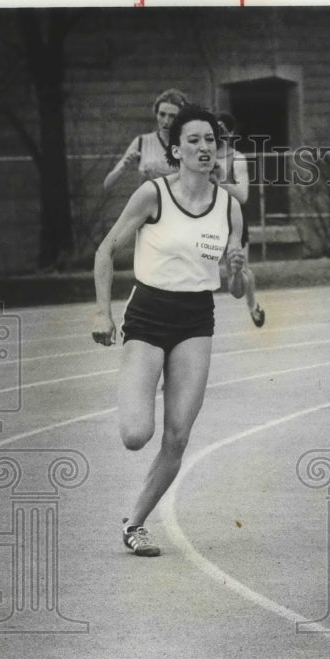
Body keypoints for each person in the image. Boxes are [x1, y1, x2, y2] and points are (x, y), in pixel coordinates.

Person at [92, 104, 245, 556]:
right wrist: (103, 313)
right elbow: (106, 250)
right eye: (194, 140)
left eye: (211, 140)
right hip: (149, 313)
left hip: (196, 318)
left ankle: (135, 523)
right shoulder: (152, 194)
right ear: (175, 149)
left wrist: (236, 271)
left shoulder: (230, 207)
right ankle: (136, 383)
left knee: (178, 435)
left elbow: (235, 287)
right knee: (136, 435)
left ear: (219, 150)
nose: (204, 147)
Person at [214, 112, 265, 327]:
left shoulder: (238, 159)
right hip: (208, 219)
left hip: (233, 219)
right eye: (214, 129)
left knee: (239, 270)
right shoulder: (202, 156)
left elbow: (243, 195)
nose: (218, 134)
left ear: (231, 133)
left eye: (223, 130)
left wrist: (220, 181)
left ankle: (252, 306)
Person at [103, 88, 189, 190]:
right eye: (162, 114)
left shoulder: (190, 143)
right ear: (156, 114)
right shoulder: (142, 142)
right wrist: (123, 167)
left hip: (181, 203)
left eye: (172, 116)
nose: (166, 121)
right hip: (151, 204)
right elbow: (107, 184)